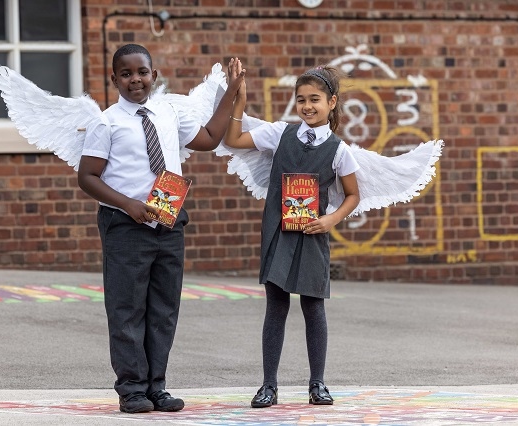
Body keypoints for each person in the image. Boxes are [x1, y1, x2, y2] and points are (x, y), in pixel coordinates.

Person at [77, 44, 245, 414]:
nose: (135, 79)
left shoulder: (167, 111)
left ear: (154, 75)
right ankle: (132, 389)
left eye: (142, 72)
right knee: (127, 308)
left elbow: (208, 140)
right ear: (114, 79)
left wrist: (231, 92)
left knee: (163, 309)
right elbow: (87, 177)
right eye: (126, 74)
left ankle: (157, 387)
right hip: (126, 224)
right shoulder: (107, 122)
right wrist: (127, 204)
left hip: (168, 221)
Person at [223, 64, 360, 407]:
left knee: (314, 307)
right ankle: (269, 385)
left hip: (313, 234)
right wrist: (239, 99)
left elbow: (354, 195)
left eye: (315, 99)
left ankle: (318, 383)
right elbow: (234, 139)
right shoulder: (279, 134)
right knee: (276, 306)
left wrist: (331, 220)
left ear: (332, 102)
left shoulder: (340, 151)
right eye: (301, 99)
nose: (307, 106)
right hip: (278, 231)